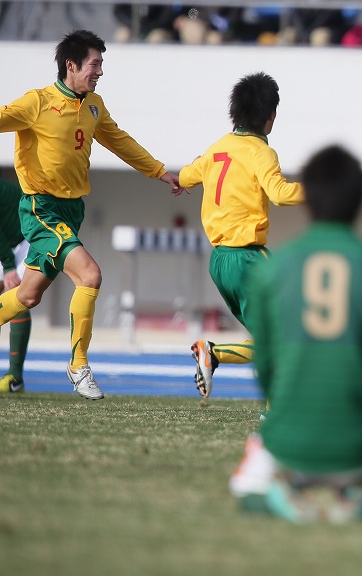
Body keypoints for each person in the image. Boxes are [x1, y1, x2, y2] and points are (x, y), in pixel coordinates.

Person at [0, 30, 185, 399]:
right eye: (95, 64)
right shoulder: (37, 102)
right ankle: (79, 365)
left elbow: (120, 141)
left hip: (72, 211)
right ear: (72, 65)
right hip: (41, 209)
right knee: (91, 274)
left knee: (27, 295)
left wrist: (159, 171)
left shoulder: (94, 105)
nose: (100, 71)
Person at [229, 145, 362, 522]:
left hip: (287, 438)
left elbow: (265, 367)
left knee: (245, 490)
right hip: (359, 441)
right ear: (361, 199)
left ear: (306, 197)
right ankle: (358, 498)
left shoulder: (270, 272)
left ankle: (282, 494)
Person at [180, 73, 305, 399]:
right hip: (250, 258)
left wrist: (183, 175)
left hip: (220, 262)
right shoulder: (261, 152)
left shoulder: (216, 148)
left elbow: (187, 175)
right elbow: (279, 193)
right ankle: (215, 354)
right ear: (271, 117)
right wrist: (320, 190)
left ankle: (269, 397)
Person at [0, 173, 30, 394]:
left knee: (18, 295)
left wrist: (9, 266)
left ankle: (15, 377)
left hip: (27, 239)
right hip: (7, 244)